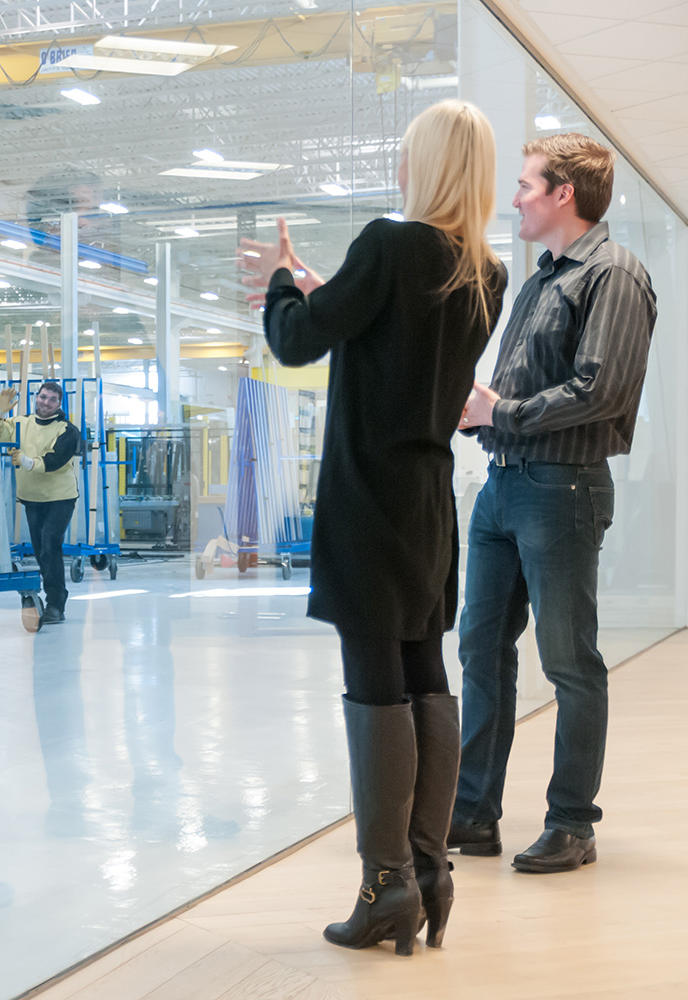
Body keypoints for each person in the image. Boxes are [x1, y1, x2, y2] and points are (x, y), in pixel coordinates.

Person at [240, 99, 507, 954]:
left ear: (424, 165)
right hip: (431, 497)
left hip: (367, 497)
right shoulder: (485, 274)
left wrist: (282, 284)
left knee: (373, 680)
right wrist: (331, 291)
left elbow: (295, 342)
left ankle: (384, 883)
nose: (397, 167)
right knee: (426, 667)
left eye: (405, 154)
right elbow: (392, 338)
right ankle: (429, 870)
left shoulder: (388, 244)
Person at [450, 134, 656, 874]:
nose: (515, 200)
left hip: (560, 488)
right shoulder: (540, 279)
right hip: (503, 487)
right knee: (480, 650)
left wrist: (497, 413)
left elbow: (599, 390)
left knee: (570, 662)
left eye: (526, 186)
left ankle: (573, 822)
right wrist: (481, 411)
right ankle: (474, 812)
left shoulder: (615, 276)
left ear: (564, 194)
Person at [0, 381, 81, 625]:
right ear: (36, 397)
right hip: (32, 497)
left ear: (59, 404)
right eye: (43, 397)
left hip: (60, 498)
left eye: (52, 399)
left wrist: (28, 462)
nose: (46, 402)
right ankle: (51, 598)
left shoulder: (68, 430)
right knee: (41, 550)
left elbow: (55, 460)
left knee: (50, 546)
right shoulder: (21, 423)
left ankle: (56, 605)